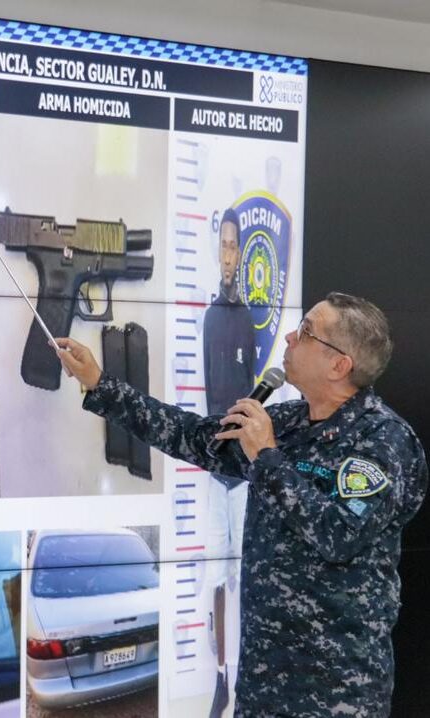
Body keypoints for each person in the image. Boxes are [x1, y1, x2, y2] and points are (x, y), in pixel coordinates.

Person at [56, 292, 427, 718]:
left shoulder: (383, 442)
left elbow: (337, 535)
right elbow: (195, 437)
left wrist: (266, 456)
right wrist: (101, 384)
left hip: (334, 691)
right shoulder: (286, 422)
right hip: (263, 681)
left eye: (306, 332)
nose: (289, 337)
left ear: (339, 365)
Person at [202, 208, 256, 717]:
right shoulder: (211, 317)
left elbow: (251, 396)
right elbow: (209, 394)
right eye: (222, 243)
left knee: (243, 575)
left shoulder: (246, 320)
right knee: (215, 575)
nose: (227, 253)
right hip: (214, 472)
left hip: (243, 475)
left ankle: (242, 677)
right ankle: (220, 676)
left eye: (234, 244)